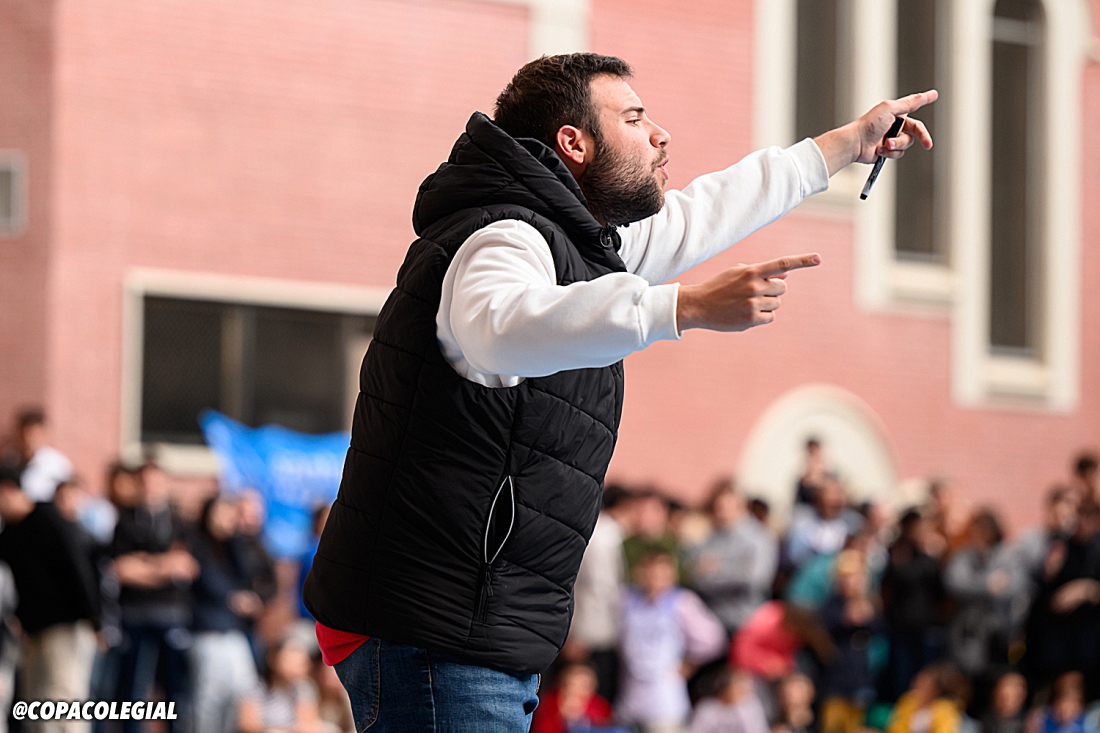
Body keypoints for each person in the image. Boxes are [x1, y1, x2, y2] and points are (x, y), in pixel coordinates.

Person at [302, 52, 937, 731]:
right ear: (574, 144)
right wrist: (682, 306)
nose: (661, 134)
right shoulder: (505, 235)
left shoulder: (573, 246)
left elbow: (706, 211)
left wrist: (846, 144)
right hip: (431, 630)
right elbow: (497, 329)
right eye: (634, 119)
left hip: (454, 626)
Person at [0, 468, 99, 733]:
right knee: (36, 702)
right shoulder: (10, 533)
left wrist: (95, 620)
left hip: (65, 626)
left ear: (6, 491)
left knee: (63, 698)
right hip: (33, 631)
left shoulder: (47, 518)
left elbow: (78, 570)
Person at [110, 461, 198, 733]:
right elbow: (121, 570)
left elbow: (186, 567)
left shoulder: (180, 523)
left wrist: (144, 564)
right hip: (134, 615)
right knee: (132, 687)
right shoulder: (124, 522)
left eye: (155, 481)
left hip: (172, 615)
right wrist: (164, 566)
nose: (150, 487)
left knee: (175, 687)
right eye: (144, 481)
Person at [616, 548, 726, 733]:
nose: (655, 577)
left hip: (665, 701)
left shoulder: (682, 602)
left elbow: (713, 639)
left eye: (661, 571)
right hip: (629, 699)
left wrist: (690, 664)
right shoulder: (627, 600)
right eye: (650, 571)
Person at [188, 494, 263, 733]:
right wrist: (233, 597)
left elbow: (247, 575)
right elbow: (204, 579)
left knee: (244, 690)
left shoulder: (233, 546)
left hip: (233, 630)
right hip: (207, 630)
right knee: (208, 697)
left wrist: (236, 536)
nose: (227, 518)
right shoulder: (196, 542)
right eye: (222, 511)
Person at [688, 477, 778, 634]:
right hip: (713, 621)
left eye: (727, 506)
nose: (722, 512)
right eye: (718, 507)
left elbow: (754, 579)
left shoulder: (759, 538)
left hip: (746, 620)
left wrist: (716, 572)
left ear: (740, 505)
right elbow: (697, 579)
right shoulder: (710, 540)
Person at [9, 408, 72, 503]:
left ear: (44, 434)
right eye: (24, 435)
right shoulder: (11, 460)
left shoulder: (57, 464)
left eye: (33, 435)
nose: (28, 440)